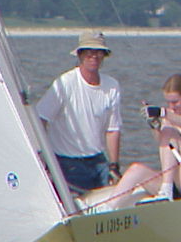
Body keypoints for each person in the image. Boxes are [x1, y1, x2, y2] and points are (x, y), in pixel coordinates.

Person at [82, 74, 181, 209]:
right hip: (176, 182)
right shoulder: (169, 117)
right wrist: (155, 126)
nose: (172, 107)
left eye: (175, 102)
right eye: (168, 103)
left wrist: (164, 113)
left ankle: (166, 190)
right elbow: (164, 146)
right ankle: (108, 208)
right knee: (136, 170)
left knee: (169, 132)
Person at [36, 30, 122, 192]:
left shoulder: (112, 86)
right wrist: (42, 155)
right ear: (80, 54)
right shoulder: (64, 83)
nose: (94, 56)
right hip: (67, 162)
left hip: (98, 161)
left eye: (99, 52)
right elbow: (41, 118)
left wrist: (114, 165)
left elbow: (113, 130)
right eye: (89, 52)